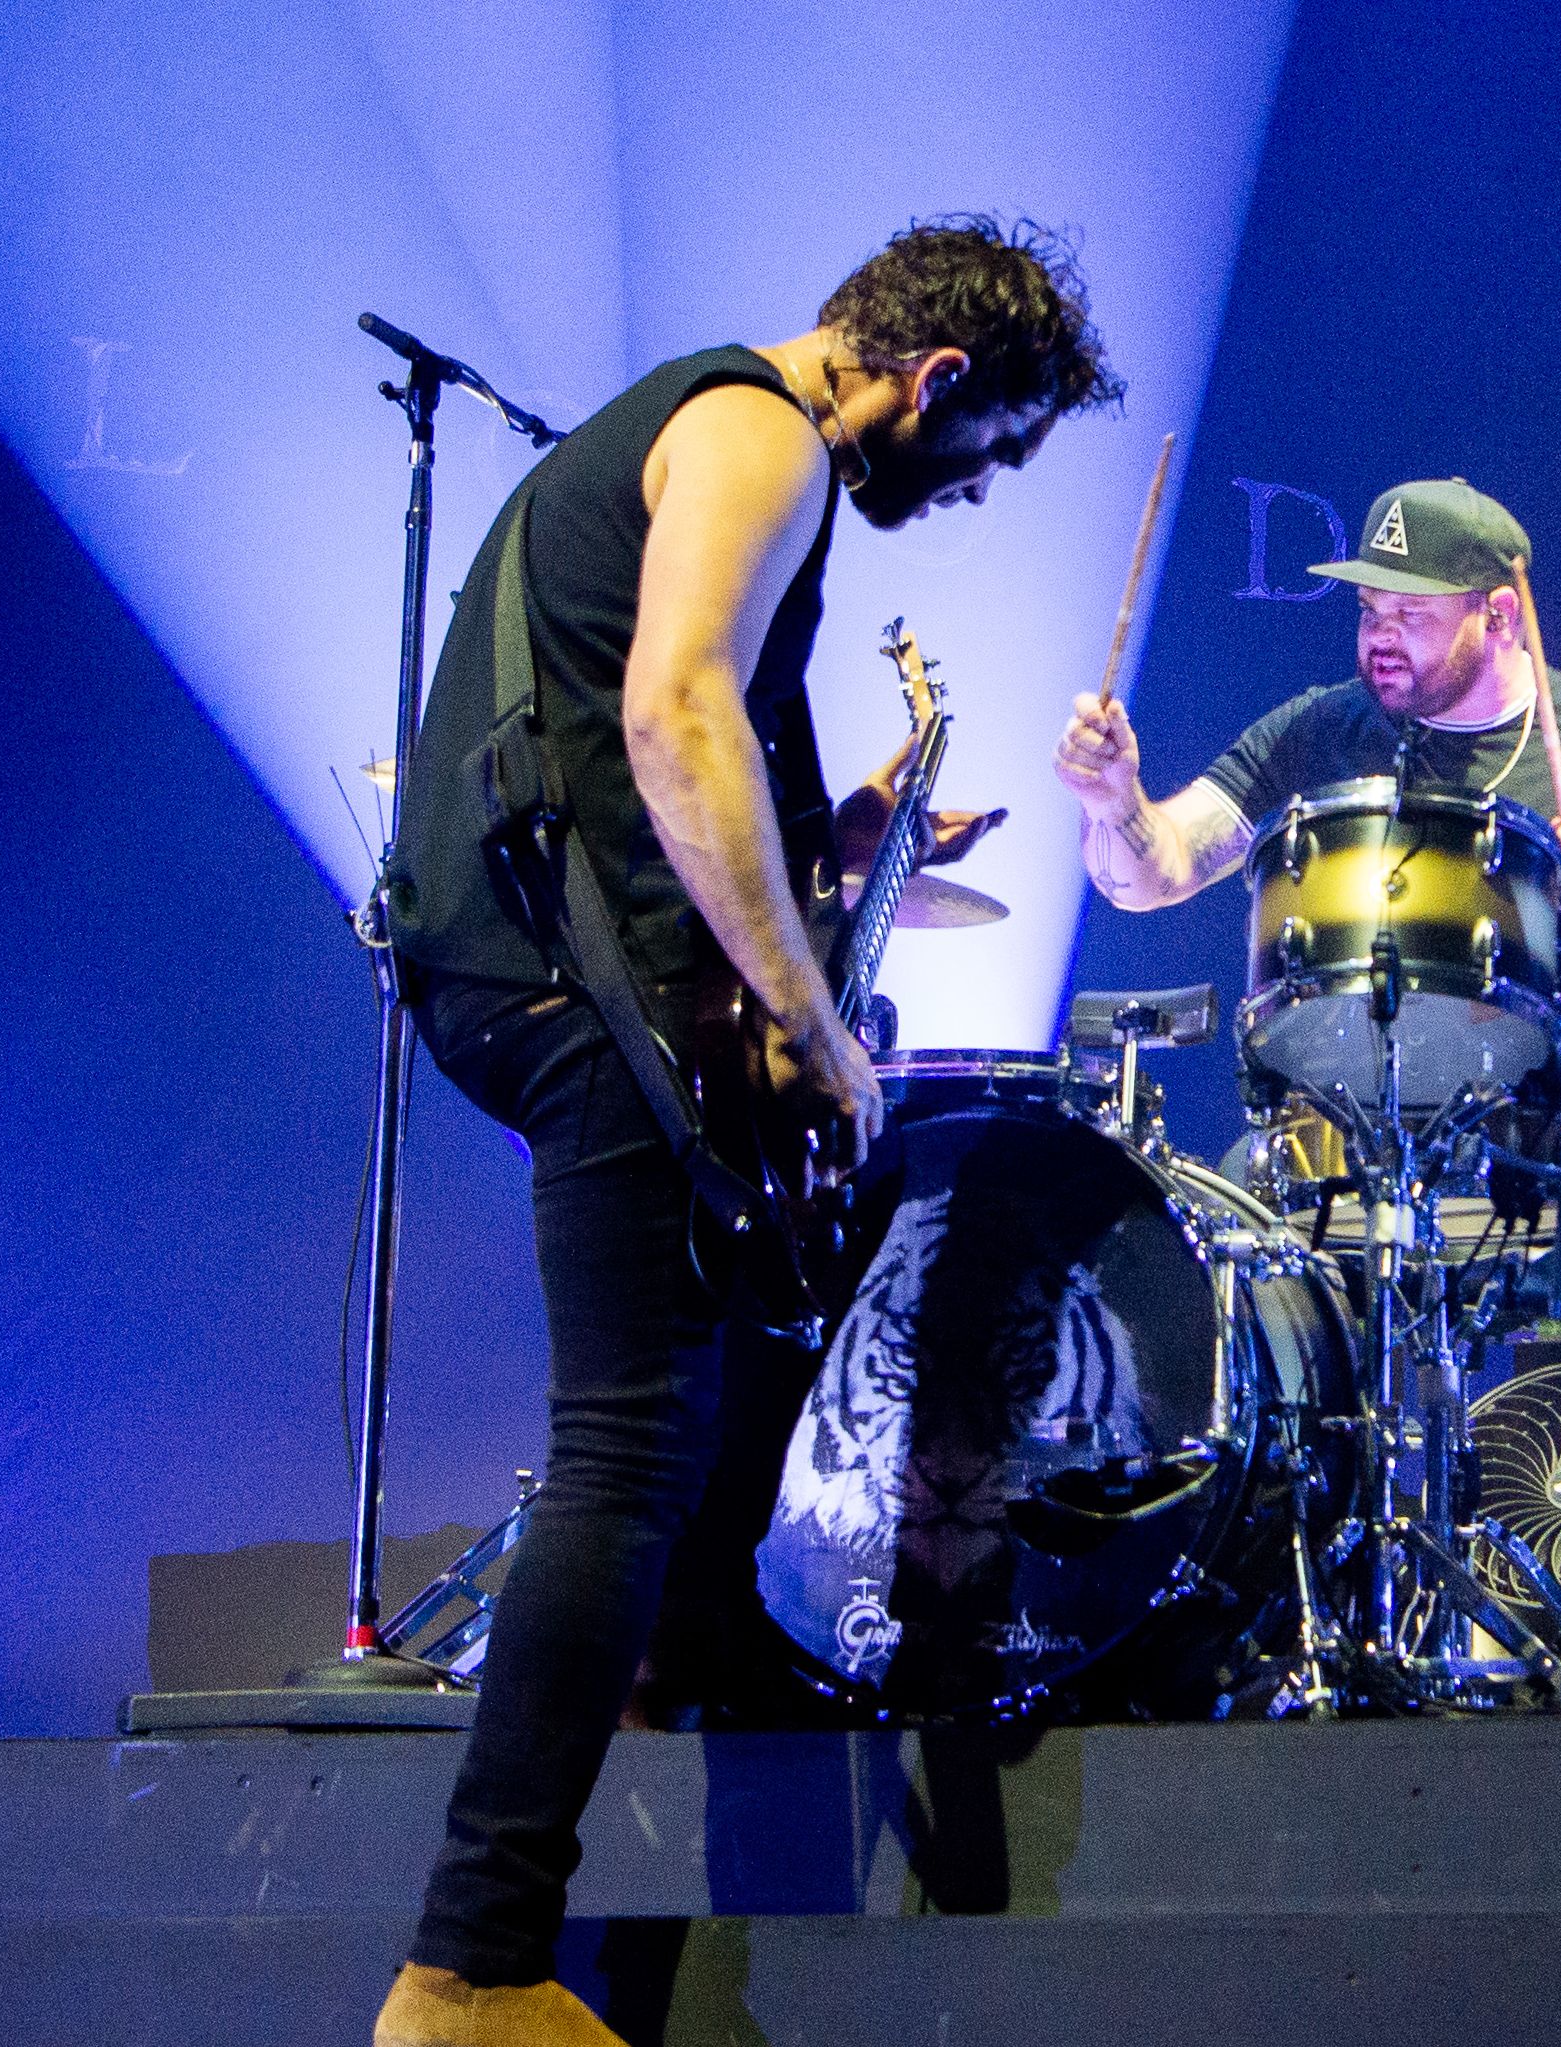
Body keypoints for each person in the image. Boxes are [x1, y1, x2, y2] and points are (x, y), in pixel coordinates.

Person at [373, 216, 1117, 2047]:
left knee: (684, 1439)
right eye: (982, 457)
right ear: (934, 384)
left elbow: (674, 717)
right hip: (572, 988)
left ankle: (588, 1960)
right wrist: (805, 1014)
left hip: (533, 972)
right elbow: (670, 706)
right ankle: (466, 1972)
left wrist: (838, 845)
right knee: (626, 1452)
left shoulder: (707, 439)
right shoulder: (758, 427)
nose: (960, 496)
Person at [1052, 477, 1561, 1465]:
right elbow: (1150, 872)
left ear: (1497, 614)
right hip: (1340, 1114)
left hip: (1550, 1109)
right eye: (1368, 611)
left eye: (1410, 615)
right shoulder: (1322, 728)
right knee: (1211, 1225)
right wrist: (1110, 800)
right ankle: (1274, 1517)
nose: (1378, 636)